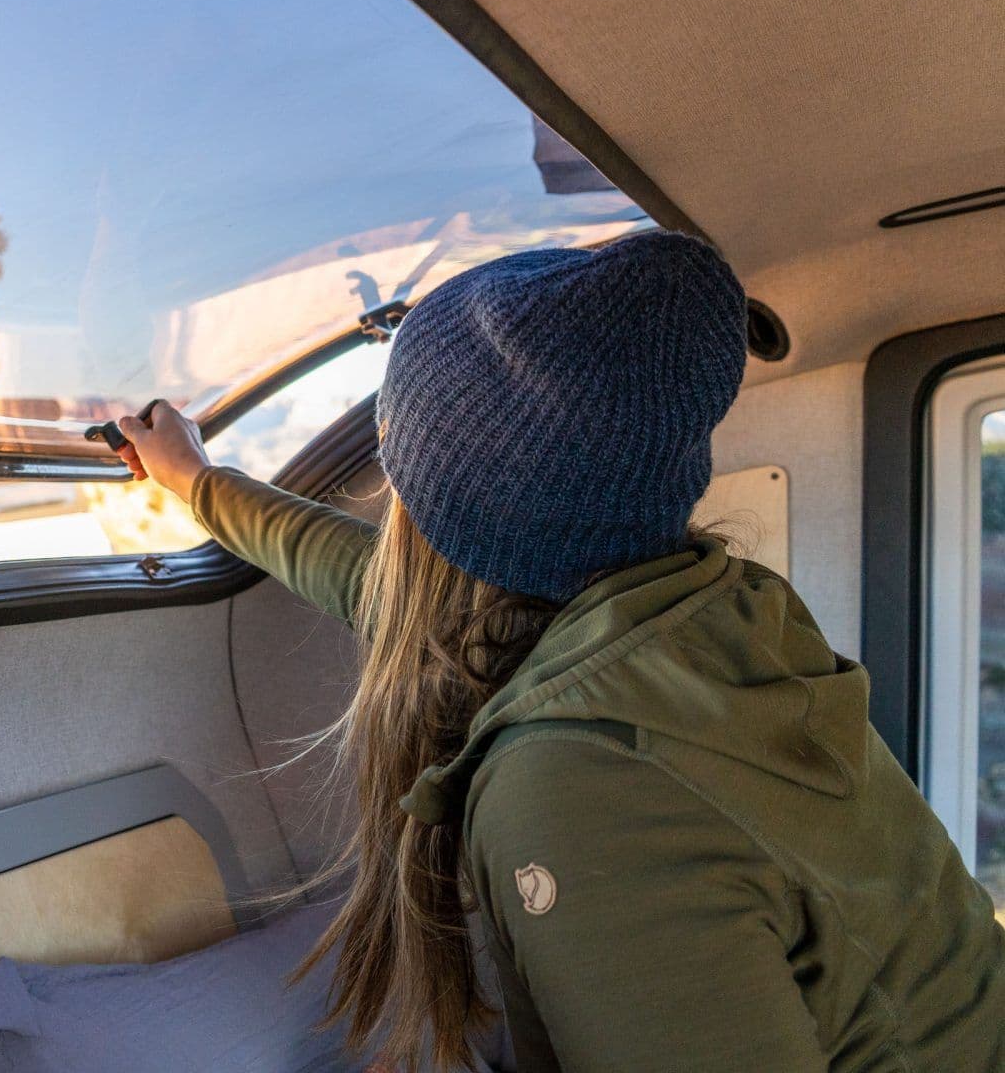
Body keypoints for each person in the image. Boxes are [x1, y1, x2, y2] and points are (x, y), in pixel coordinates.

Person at [112, 232, 1005, 1073]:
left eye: (395, 446)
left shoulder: (578, 782)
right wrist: (198, 483)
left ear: (455, 509)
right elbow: (370, 581)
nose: (383, 462)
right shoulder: (719, 616)